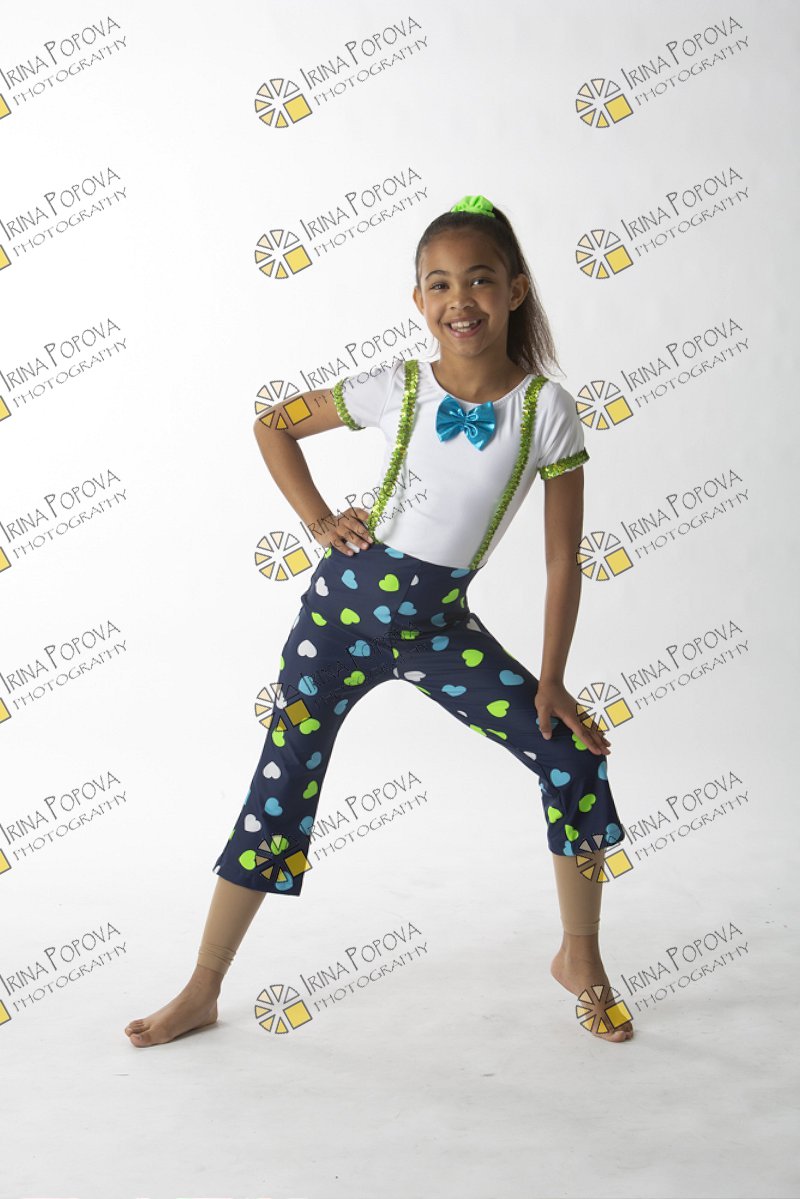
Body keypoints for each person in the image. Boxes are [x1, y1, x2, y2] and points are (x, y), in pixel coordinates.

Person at [125, 193, 633, 1047]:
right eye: (439, 284)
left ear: (515, 289)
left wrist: (552, 680)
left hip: (439, 631)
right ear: (419, 300)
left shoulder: (547, 410)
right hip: (340, 616)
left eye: (480, 279)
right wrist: (319, 519)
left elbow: (561, 560)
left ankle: (579, 957)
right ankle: (203, 985)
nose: (459, 300)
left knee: (573, 756)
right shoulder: (398, 386)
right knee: (279, 787)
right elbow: (274, 424)